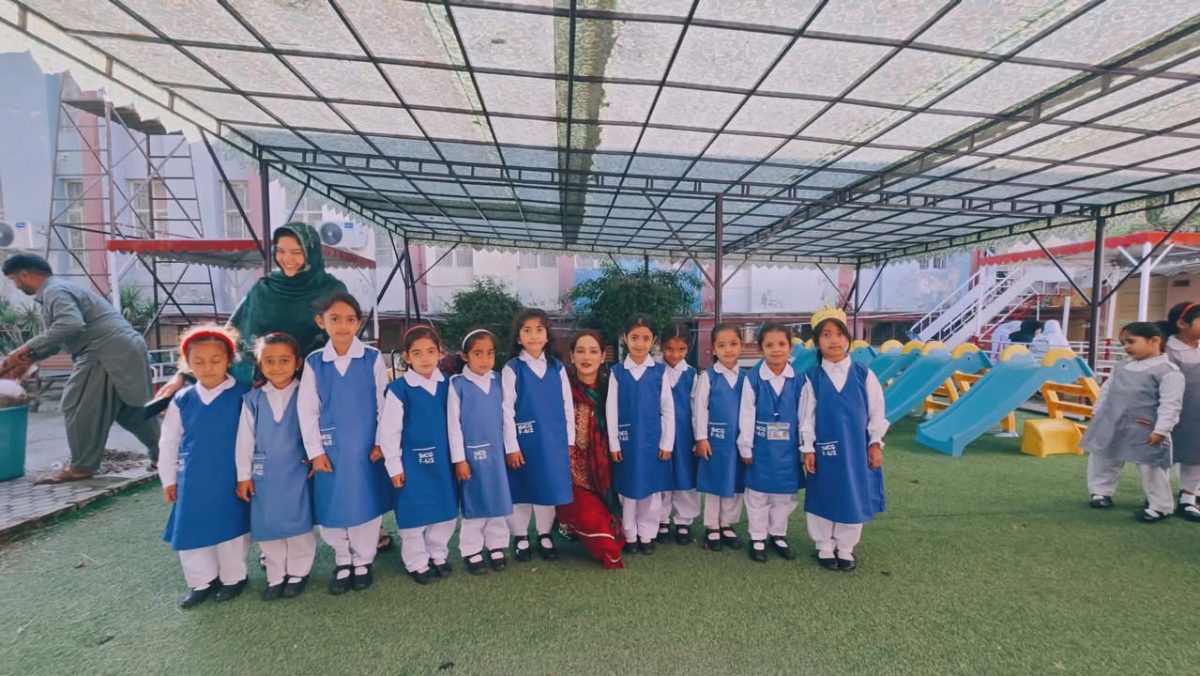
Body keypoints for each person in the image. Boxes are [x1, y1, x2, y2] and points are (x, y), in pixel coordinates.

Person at [1, 253, 160, 483]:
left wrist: (25, 348)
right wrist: (29, 357)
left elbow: (71, 324)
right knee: (130, 410)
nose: (15, 285)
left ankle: (82, 467)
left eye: (14, 279)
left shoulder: (54, 291)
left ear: (25, 274)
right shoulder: (60, 289)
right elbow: (61, 337)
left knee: (75, 405)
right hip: (123, 347)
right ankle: (166, 454)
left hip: (103, 350)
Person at [297, 292, 391, 594]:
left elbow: (383, 405)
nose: (342, 325)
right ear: (320, 321)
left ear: (358, 323)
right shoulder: (314, 362)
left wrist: (381, 442)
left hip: (366, 449)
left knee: (366, 503)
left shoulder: (372, 358)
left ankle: (363, 560)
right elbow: (307, 410)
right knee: (332, 505)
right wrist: (315, 452)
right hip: (331, 451)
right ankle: (342, 559)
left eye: (350, 319)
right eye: (334, 319)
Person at [158, 325, 251, 608]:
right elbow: (169, 441)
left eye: (215, 360)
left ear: (229, 360)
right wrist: (168, 479)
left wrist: (245, 476)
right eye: (198, 361)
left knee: (232, 529)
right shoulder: (183, 399)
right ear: (187, 363)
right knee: (192, 528)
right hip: (193, 479)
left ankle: (234, 578)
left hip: (231, 476)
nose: (208, 368)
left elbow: (250, 439)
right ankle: (201, 581)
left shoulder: (243, 394)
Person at [800, 308, 888, 572]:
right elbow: (806, 417)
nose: (834, 340)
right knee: (823, 492)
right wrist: (808, 448)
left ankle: (846, 547)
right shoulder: (812, 378)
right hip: (824, 450)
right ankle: (824, 545)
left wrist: (875, 443)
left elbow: (877, 411)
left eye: (839, 334)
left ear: (848, 338)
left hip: (856, 450)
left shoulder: (864, 374)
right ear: (817, 342)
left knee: (853, 492)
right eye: (826, 335)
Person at [234, 333, 314, 601]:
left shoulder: (307, 393)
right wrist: (243, 476)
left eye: (284, 360)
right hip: (264, 474)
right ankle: (276, 574)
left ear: (297, 363)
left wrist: (316, 455)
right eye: (269, 361)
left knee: (299, 523)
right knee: (268, 524)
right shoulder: (253, 399)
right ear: (260, 364)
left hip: (297, 471)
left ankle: (299, 573)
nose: (277, 367)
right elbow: (245, 440)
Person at [378, 326, 458, 585]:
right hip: (411, 464)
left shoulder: (449, 384)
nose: (425, 358)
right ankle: (416, 561)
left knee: (445, 512)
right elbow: (389, 432)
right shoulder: (399, 390)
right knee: (413, 514)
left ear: (440, 352)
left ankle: (438, 555)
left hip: (443, 462)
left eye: (431, 351)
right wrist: (394, 466)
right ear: (407, 356)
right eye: (417, 353)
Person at [1083, 322, 1184, 522]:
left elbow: (1171, 404)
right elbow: (1107, 390)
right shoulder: (1122, 366)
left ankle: (1160, 506)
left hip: (1146, 427)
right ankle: (1100, 492)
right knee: (1103, 456)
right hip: (1112, 421)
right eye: (1123, 343)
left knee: (1151, 466)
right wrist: (1097, 413)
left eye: (1131, 341)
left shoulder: (1168, 371)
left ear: (1154, 341)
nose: (1126, 347)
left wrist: (1161, 430)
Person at [502, 308, 574, 562]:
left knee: (548, 488)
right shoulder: (512, 369)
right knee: (522, 488)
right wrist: (511, 446)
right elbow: (506, 410)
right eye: (527, 330)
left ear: (547, 335)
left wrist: (569, 441)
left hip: (554, 441)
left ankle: (544, 533)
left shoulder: (557, 367)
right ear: (518, 337)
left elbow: (567, 405)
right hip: (524, 443)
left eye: (539, 330)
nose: (534, 335)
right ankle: (520, 535)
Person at [556, 329, 625, 569]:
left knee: (617, 534)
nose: (587, 357)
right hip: (568, 478)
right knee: (606, 543)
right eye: (581, 351)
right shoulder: (560, 388)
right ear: (572, 356)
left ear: (602, 356)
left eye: (593, 351)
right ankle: (564, 520)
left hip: (603, 476)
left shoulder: (611, 389)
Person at [607, 314, 675, 555]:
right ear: (624, 338)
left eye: (645, 338)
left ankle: (647, 534)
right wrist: (614, 443)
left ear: (653, 341)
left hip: (651, 442)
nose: (639, 343)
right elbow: (611, 410)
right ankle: (629, 534)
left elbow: (667, 410)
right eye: (634, 337)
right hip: (627, 444)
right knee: (628, 491)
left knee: (651, 491)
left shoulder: (659, 372)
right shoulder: (617, 372)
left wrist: (667, 442)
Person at [447, 329, 513, 575]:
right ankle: (471, 549)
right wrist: (459, 459)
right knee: (475, 501)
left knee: (497, 499)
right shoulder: (457, 385)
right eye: (478, 353)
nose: (485, 359)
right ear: (465, 356)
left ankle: (496, 545)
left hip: (498, 453)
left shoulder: (499, 381)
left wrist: (510, 448)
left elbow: (508, 418)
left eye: (490, 353)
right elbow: (453, 425)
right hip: (471, 456)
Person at [738, 322, 804, 563]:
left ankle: (778, 534)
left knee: (783, 496)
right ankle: (757, 537)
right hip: (761, 449)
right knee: (757, 494)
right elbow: (746, 414)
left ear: (790, 347)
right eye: (769, 345)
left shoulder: (799, 381)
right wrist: (745, 446)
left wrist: (804, 447)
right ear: (761, 348)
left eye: (782, 344)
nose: (776, 349)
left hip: (788, 450)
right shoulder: (753, 379)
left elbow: (805, 416)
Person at [693, 322, 747, 551]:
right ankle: (712, 525)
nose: (728, 350)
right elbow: (699, 408)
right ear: (713, 349)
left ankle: (727, 523)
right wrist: (701, 437)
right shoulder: (708, 376)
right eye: (722, 345)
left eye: (733, 344)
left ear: (741, 346)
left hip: (738, 441)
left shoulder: (747, 378)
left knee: (735, 482)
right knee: (715, 481)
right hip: (715, 440)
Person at [657, 324, 699, 545]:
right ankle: (661, 519)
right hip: (661, 432)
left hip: (684, 434)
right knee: (662, 475)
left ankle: (684, 521)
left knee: (685, 476)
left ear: (688, 348)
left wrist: (698, 437)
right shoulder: (654, 371)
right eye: (669, 348)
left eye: (681, 349)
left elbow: (697, 408)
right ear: (661, 347)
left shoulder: (692, 374)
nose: (675, 354)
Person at [1161, 302, 1200, 521]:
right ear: (1182, 323)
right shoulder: (1167, 349)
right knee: (1165, 454)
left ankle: (1188, 497)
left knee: (1196, 456)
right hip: (1172, 411)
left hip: (1197, 412)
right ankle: (1158, 496)